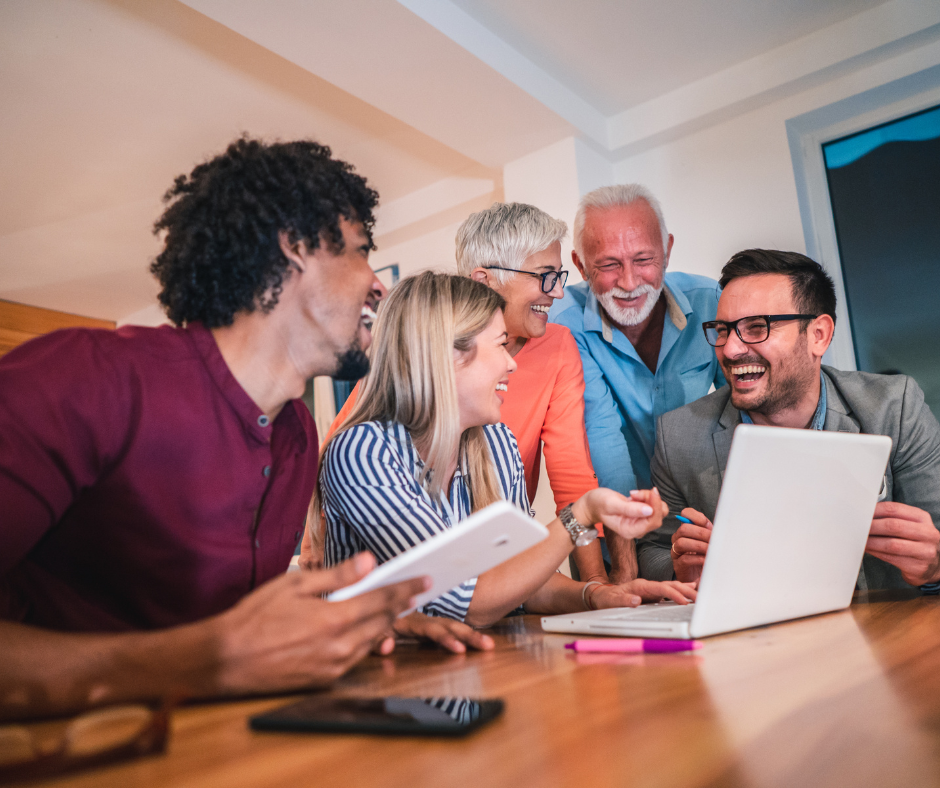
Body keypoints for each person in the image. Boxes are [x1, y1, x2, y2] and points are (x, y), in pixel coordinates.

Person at [0, 137, 427, 721]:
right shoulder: (82, 376)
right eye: (359, 251)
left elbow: (236, 635)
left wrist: (353, 625)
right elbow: (215, 651)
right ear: (294, 247)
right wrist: (205, 660)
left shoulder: (296, 435)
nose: (377, 284)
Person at [318, 271, 697, 634]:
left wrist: (596, 595)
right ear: (449, 355)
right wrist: (581, 514)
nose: (511, 362)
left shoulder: (496, 441)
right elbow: (468, 602)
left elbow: (518, 579)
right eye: (501, 344)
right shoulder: (362, 453)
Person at [317, 202, 606, 581]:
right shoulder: (373, 443)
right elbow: (343, 450)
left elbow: (571, 476)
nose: (558, 292)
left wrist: (596, 587)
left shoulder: (500, 443)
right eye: (544, 276)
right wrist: (314, 537)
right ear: (484, 279)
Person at [642, 249, 940, 591]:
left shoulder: (894, 408)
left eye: (757, 327)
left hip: (886, 633)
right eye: (723, 330)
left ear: (819, 336)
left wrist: (934, 566)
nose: (731, 350)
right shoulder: (679, 436)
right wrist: (680, 567)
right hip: (762, 639)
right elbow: (653, 552)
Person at [550, 184, 724, 583]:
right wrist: (625, 579)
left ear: (667, 249)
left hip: (693, 523)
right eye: (608, 265)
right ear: (579, 264)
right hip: (610, 539)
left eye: (644, 259)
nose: (629, 282)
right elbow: (603, 439)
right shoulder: (565, 324)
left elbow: (745, 412)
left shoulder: (712, 301)